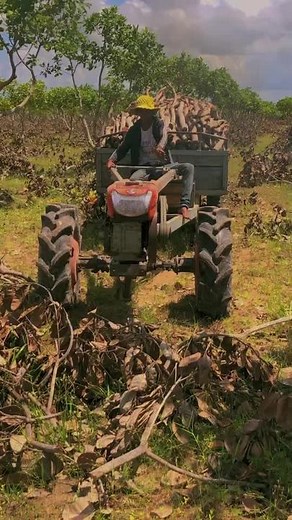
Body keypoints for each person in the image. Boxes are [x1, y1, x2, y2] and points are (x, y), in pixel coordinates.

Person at [107, 95, 195, 219]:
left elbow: (164, 135)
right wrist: (112, 159)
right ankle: (136, 212)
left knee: (188, 167)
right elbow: (123, 147)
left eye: (147, 111)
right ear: (139, 113)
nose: (144, 114)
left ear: (151, 112)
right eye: (142, 111)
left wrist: (160, 148)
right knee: (133, 181)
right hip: (143, 167)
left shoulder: (159, 124)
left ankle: (184, 205)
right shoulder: (134, 130)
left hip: (162, 167)